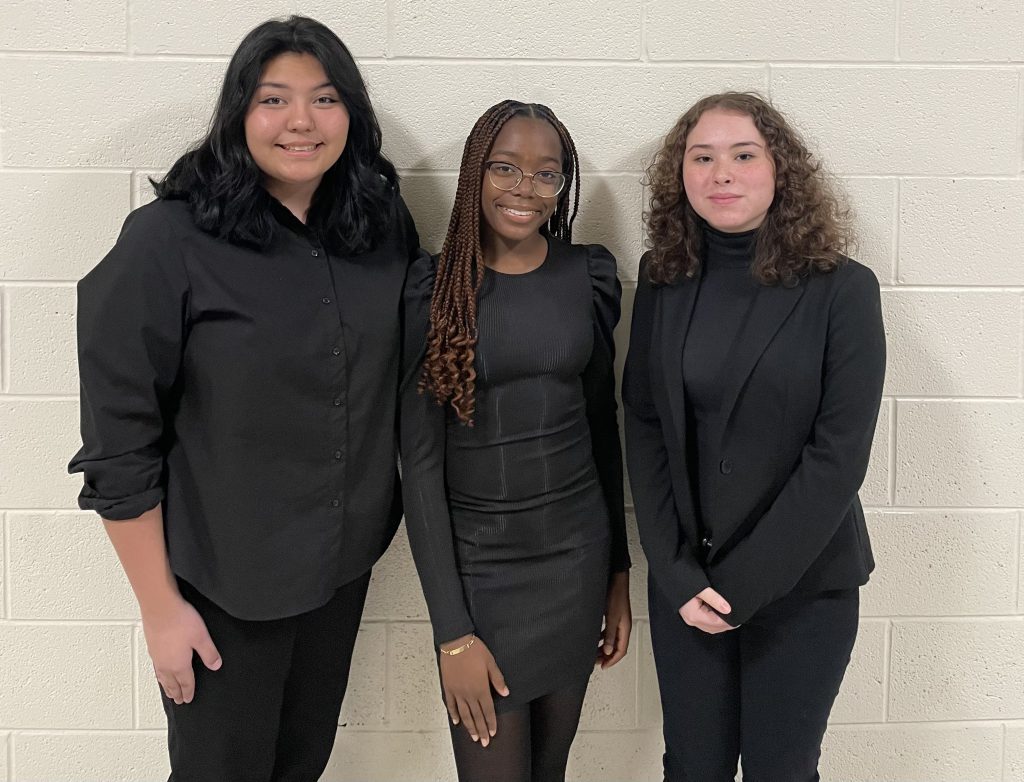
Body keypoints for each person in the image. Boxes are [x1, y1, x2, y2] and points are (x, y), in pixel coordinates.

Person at [68, 16, 421, 781]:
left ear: (351, 114)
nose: (301, 121)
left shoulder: (381, 226)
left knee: (302, 764)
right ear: (238, 115)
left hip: (339, 569)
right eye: (274, 100)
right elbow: (118, 445)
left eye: (325, 98)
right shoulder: (167, 242)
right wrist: (161, 612)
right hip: (224, 586)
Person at [623, 92, 885, 781]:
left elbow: (838, 457)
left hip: (804, 588)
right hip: (688, 585)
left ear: (781, 171)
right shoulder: (662, 279)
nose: (721, 173)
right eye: (701, 157)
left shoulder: (843, 291)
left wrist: (744, 587)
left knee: (780, 768)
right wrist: (677, 574)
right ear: (680, 175)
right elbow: (644, 423)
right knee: (692, 767)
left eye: (744, 155)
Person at [400, 100, 632, 782]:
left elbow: (602, 429)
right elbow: (418, 466)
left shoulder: (586, 275)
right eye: (505, 167)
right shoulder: (433, 289)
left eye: (545, 174)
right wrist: (451, 633)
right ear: (475, 173)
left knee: (549, 772)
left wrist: (618, 575)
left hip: (575, 563)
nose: (524, 189)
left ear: (564, 187)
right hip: (481, 577)